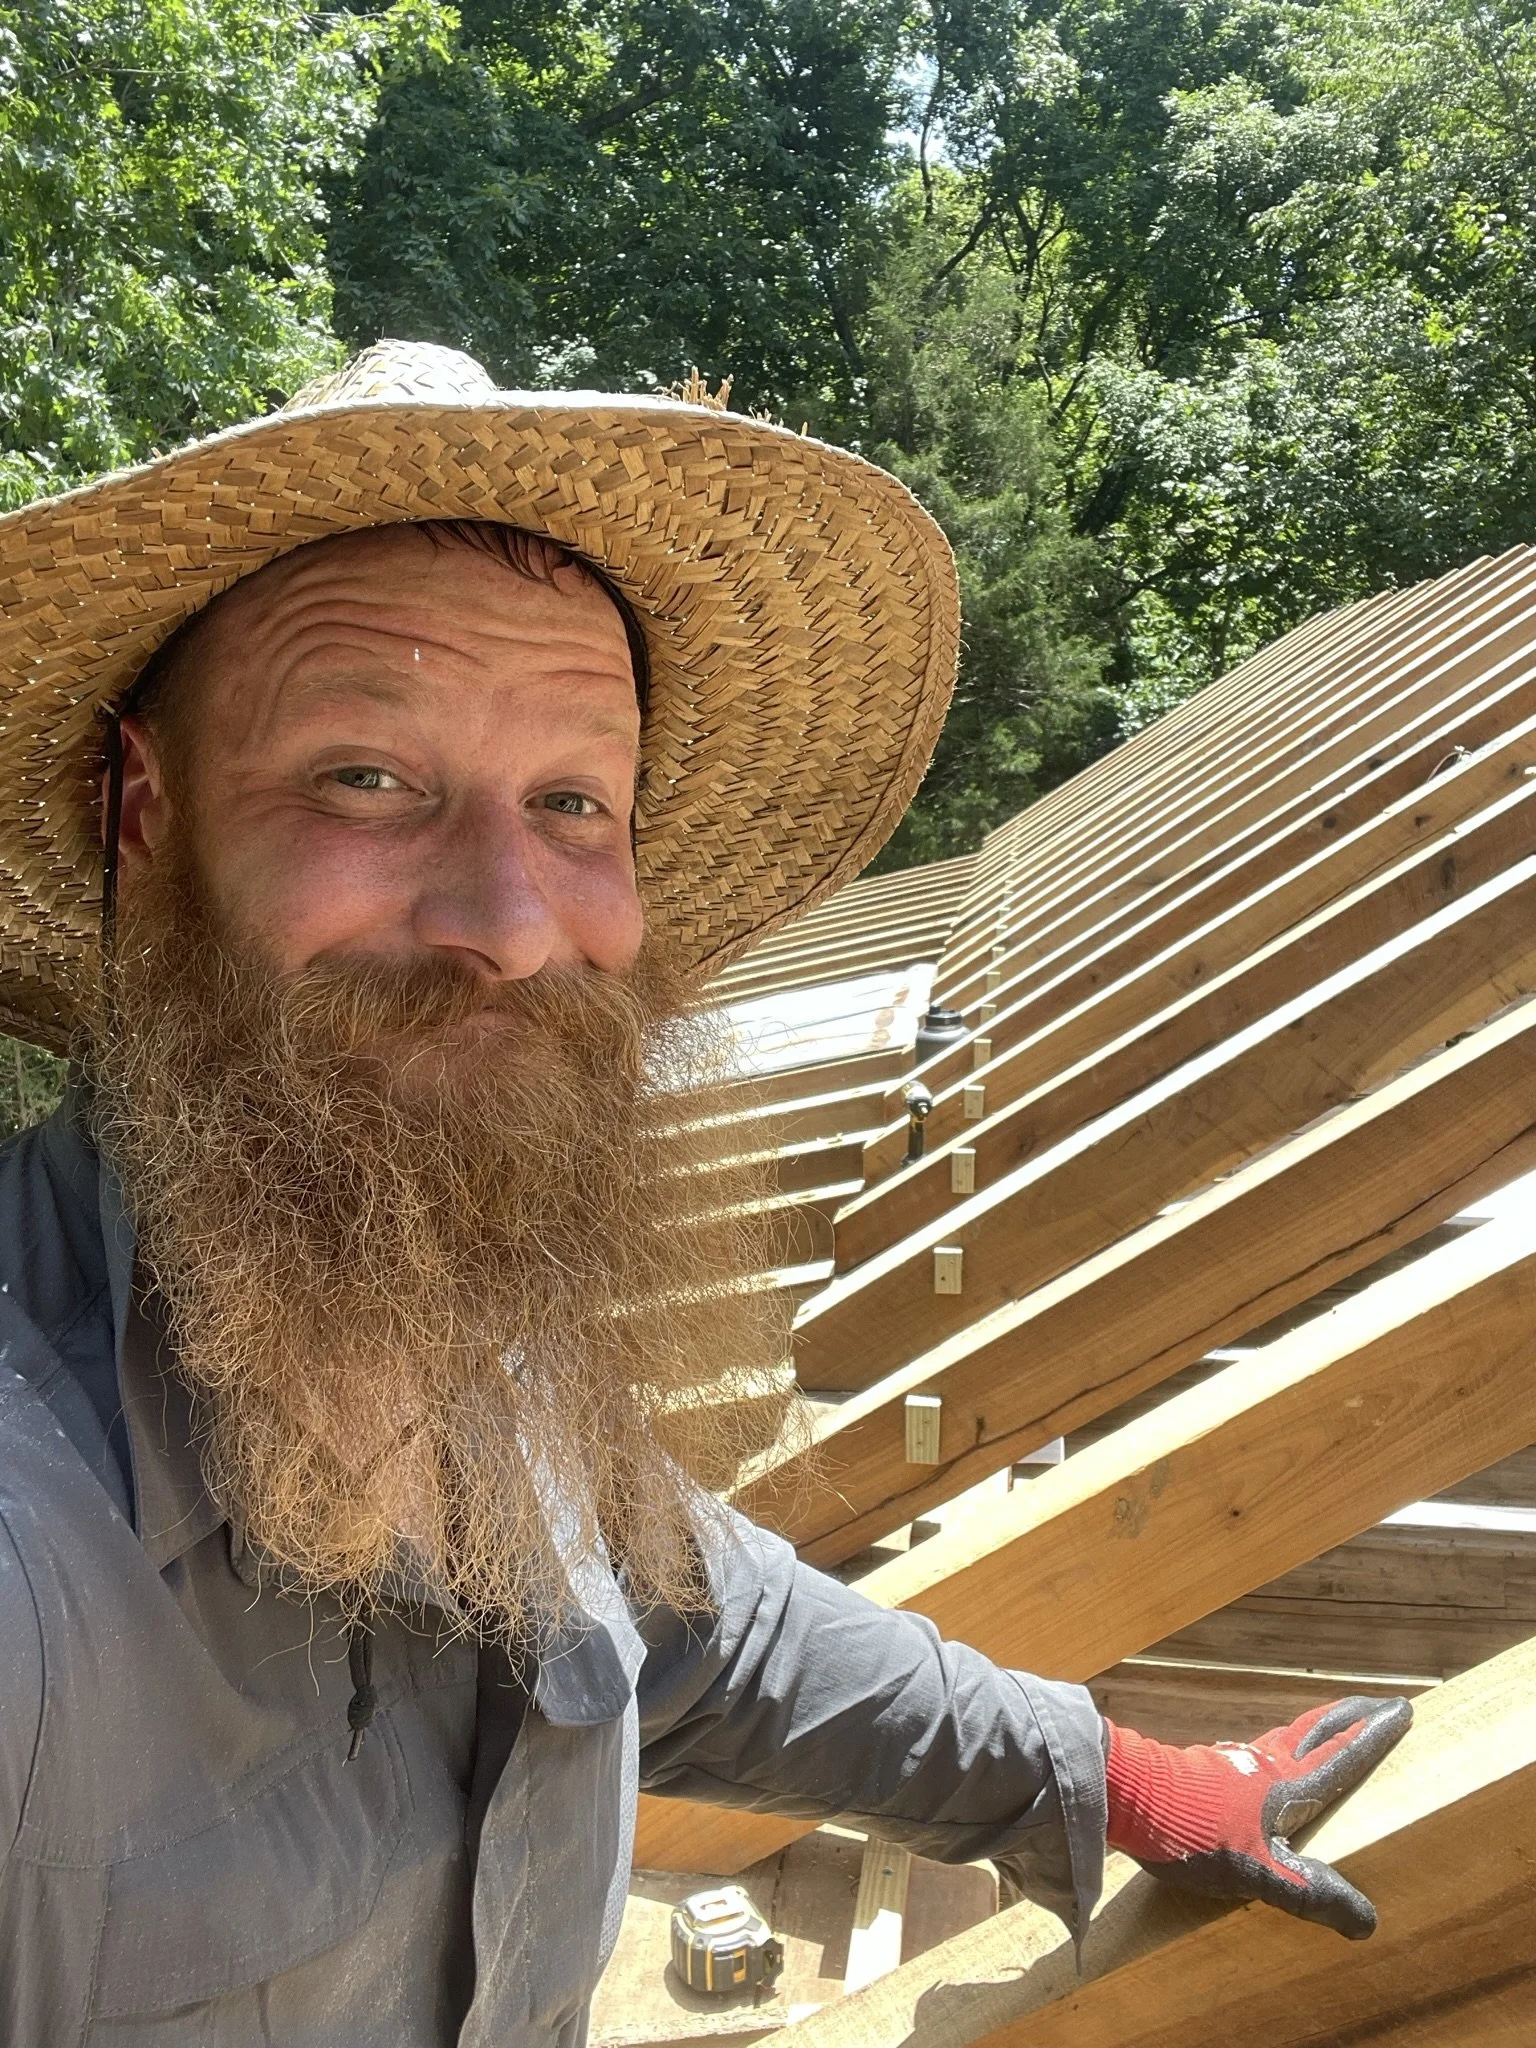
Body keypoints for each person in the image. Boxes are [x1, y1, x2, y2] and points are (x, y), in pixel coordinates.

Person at [0, 342, 1408, 2045]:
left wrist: (1107, 1778)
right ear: (142, 809)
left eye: (571, 802)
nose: (510, 925)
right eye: (367, 777)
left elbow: (686, 1619)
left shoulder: (426, 1307)